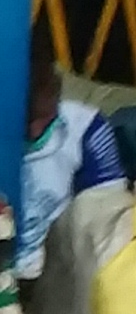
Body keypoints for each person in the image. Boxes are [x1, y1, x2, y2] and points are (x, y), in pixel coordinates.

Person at [21, 48, 125, 286]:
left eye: (41, 118)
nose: (35, 131)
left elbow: (107, 221)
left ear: (55, 85)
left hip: (60, 277)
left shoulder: (85, 129)